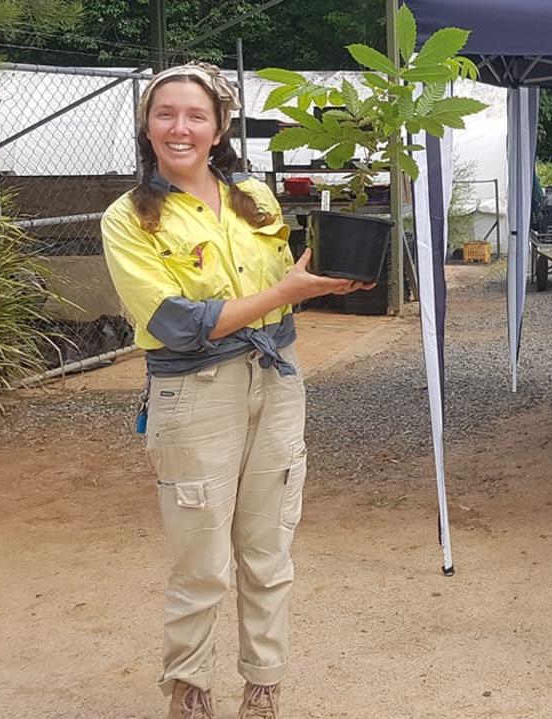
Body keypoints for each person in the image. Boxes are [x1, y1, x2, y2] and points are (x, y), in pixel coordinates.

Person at [102, 62, 372, 719]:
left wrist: (328, 283)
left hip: (275, 383)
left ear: (219, 126)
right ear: (146, 124)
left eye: (196, 115)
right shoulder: (131, 217)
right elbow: (177, 323)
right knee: (200, 557)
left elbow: (276, 299)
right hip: (194, 394)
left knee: (268, 547)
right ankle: (190, 691)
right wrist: (281, 294)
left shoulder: (256, 198)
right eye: (165, 113)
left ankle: (263, 688)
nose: (180, 127)